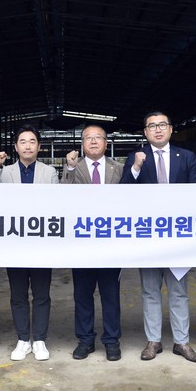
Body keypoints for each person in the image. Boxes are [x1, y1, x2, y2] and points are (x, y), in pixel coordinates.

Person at [120, 111, 196, 364]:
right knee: (150, 291)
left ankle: (182, 342)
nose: (157, 129)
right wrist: (136, 167)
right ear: (145, 132)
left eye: (162, 125)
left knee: (179, 291)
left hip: (177, 236)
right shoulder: (136, 157)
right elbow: (122, 193)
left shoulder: (186, 157)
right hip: (148, 236)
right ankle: (153, 341)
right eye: (152, 126)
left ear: (170, 129)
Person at [0, 124, 58, 361]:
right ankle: (22, 340)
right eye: (23, 142)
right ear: (16, 147)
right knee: (18, 294)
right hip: (15, 243)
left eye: (32, 141)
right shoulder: (5, 172)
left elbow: (56, 204)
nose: (27, 146)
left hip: (41, 243)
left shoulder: (49, 172)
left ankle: (40, 340)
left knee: (41, 294)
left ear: (39, 146)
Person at [61, 124, 122, 361]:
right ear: (82, 143)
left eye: (98, 138)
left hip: (110, 243)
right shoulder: (73, 167)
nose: (94, 142)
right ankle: (85, 340)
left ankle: (111, 340)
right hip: (82, 243)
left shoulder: (119, 168)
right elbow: (62, 196)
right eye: (89, 138)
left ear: (106, 143)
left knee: (110, 295)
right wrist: (69, 168)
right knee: (83, 295)